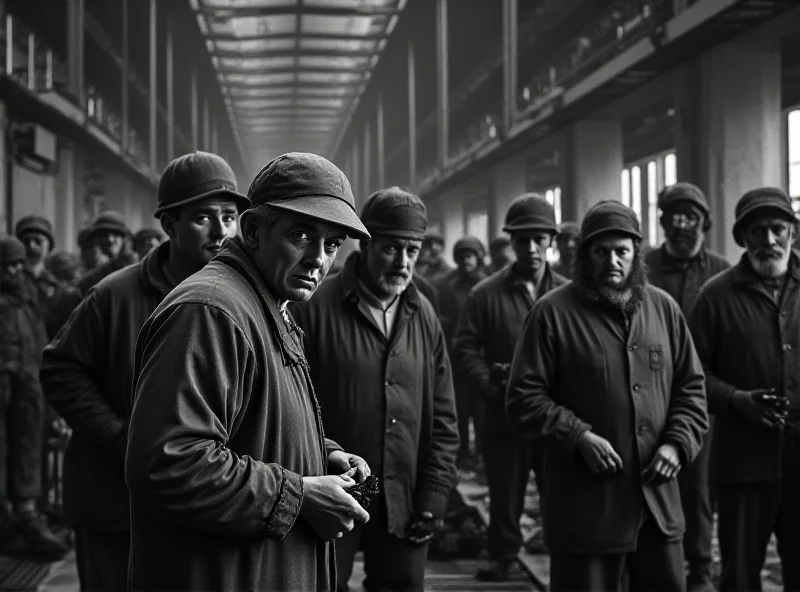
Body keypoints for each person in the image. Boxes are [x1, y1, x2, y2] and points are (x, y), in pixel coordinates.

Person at [125, 152, 373, 591]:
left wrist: (322, 454)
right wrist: (299, 496)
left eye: (333, 244)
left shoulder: (267, 304)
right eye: (302, 234)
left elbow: (255, 422)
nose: (318, 258)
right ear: (254, 230)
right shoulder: (211, 312)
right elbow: (169, 463)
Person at [40, 151, 249, 592]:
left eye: (229, 217)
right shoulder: (114, 297)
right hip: (114, 502)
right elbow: (60, 369)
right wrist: (117, 434)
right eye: (203, 218)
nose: (221, 231)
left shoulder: (243, 301)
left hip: (199, 504)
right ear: (169, 226)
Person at [506, 200, 708, 592]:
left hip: (657, 506)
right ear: (584, 255)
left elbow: (691, 387)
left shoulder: (664, 309)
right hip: (587, 510)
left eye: (622, 251)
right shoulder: (552, 314)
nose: (612, 261)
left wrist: (678, 444)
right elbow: (523, 398)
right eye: (601, 251)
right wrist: (577, 435)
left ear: (636, 255)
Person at [293, 187, 460, 592]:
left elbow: (443, 416)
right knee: (322, 584)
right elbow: (292, 406)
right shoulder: (315, 306)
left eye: (412, 250)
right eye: (391, 248)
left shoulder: (423, 313)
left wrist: (435, 494)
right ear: (365, 244)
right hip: (332, 485)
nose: (403, 263)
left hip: (404, 491)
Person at [687, 187, 800, 592]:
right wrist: (737, 401)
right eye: (757, 232)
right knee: (739, 575)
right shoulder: (714, 297)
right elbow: (693, 377)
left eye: (777, 229)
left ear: (793, 232)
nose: (769, 241)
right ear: (742, 238)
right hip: (742, 462)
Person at [454, 194, 569, 581]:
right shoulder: (485, 294)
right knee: (505, 490)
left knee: (558, 489)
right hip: (503, 414)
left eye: (540, 239)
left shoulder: (570, 294)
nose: (532, 248)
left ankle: (558, 547)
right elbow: (465, 345)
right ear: (512, 244)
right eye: (523, 240)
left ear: (552, 241)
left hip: (554, 413)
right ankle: (504, 554)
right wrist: (488, 384)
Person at [645, 182, 730, 592]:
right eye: (673, 216)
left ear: (705, 223)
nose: (681, 225)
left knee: (697, 487)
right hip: (646, 391)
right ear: (661, 221)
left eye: (690, 217)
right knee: (645, 478)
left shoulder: (722, 273)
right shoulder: (641, 267)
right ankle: (644, 562)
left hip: (700, 397)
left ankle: (699, 567)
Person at [0, 236, 69, 560]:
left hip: (28, 389)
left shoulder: (30, 298)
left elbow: (42, 341)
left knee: (30, 449)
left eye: (16, 264)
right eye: (7, 265)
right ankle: (8, 521)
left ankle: (27, 514)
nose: (14, 270)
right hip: (4, 387)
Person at [438, 236, 488, 465]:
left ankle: (482, 453)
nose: (466, 261)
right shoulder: (446, 286)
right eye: (462, 256)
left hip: (482, 354)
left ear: (478, 258)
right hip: (454, 354)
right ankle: (463, 452)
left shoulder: (487, 284)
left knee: (481, 406)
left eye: (471, 256)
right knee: (460, 405)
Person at [76, 211, 136, 296]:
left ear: (124, 239)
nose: (110, 240)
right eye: (104, 235)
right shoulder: (91, 280)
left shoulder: (138, 268)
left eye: (115, 235)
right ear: (98, 241)